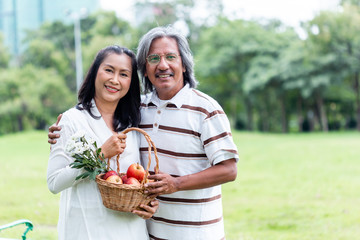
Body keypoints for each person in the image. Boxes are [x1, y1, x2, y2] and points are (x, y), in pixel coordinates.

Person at [49, 26, 239, 240]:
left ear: (184, 64)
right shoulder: (138, 111)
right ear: (145, 69)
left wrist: (176, 184)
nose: (163, 65)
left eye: (170, 57)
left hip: (197, 234)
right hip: (150, 232)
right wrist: (63, 132)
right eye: (154, 58)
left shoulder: (206, 109)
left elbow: (229, 170)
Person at [47, 45, 158, 240]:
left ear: (131, 82)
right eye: (108, 70)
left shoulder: (132, 124)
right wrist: (100, 154)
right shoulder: (72, 120)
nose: (115, 80)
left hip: (131, 230)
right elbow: (54, 182)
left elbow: (136, 179)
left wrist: (148, 204)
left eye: (124, 74)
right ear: (95, 72)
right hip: (86, 229)